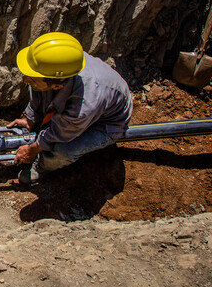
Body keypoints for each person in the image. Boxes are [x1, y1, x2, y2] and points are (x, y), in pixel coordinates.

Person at [7, 32, 133, 185]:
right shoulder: (59, 64)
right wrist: (30, 119)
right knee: (39, 87)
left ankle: (42, 166)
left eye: (32, 78)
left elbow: (60, 133)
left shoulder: (85, 103)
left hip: (106, 124)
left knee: (63, 150)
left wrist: (33, 149)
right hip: (81, 109)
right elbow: (38, 88)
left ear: (58, 85)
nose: (26, 80)